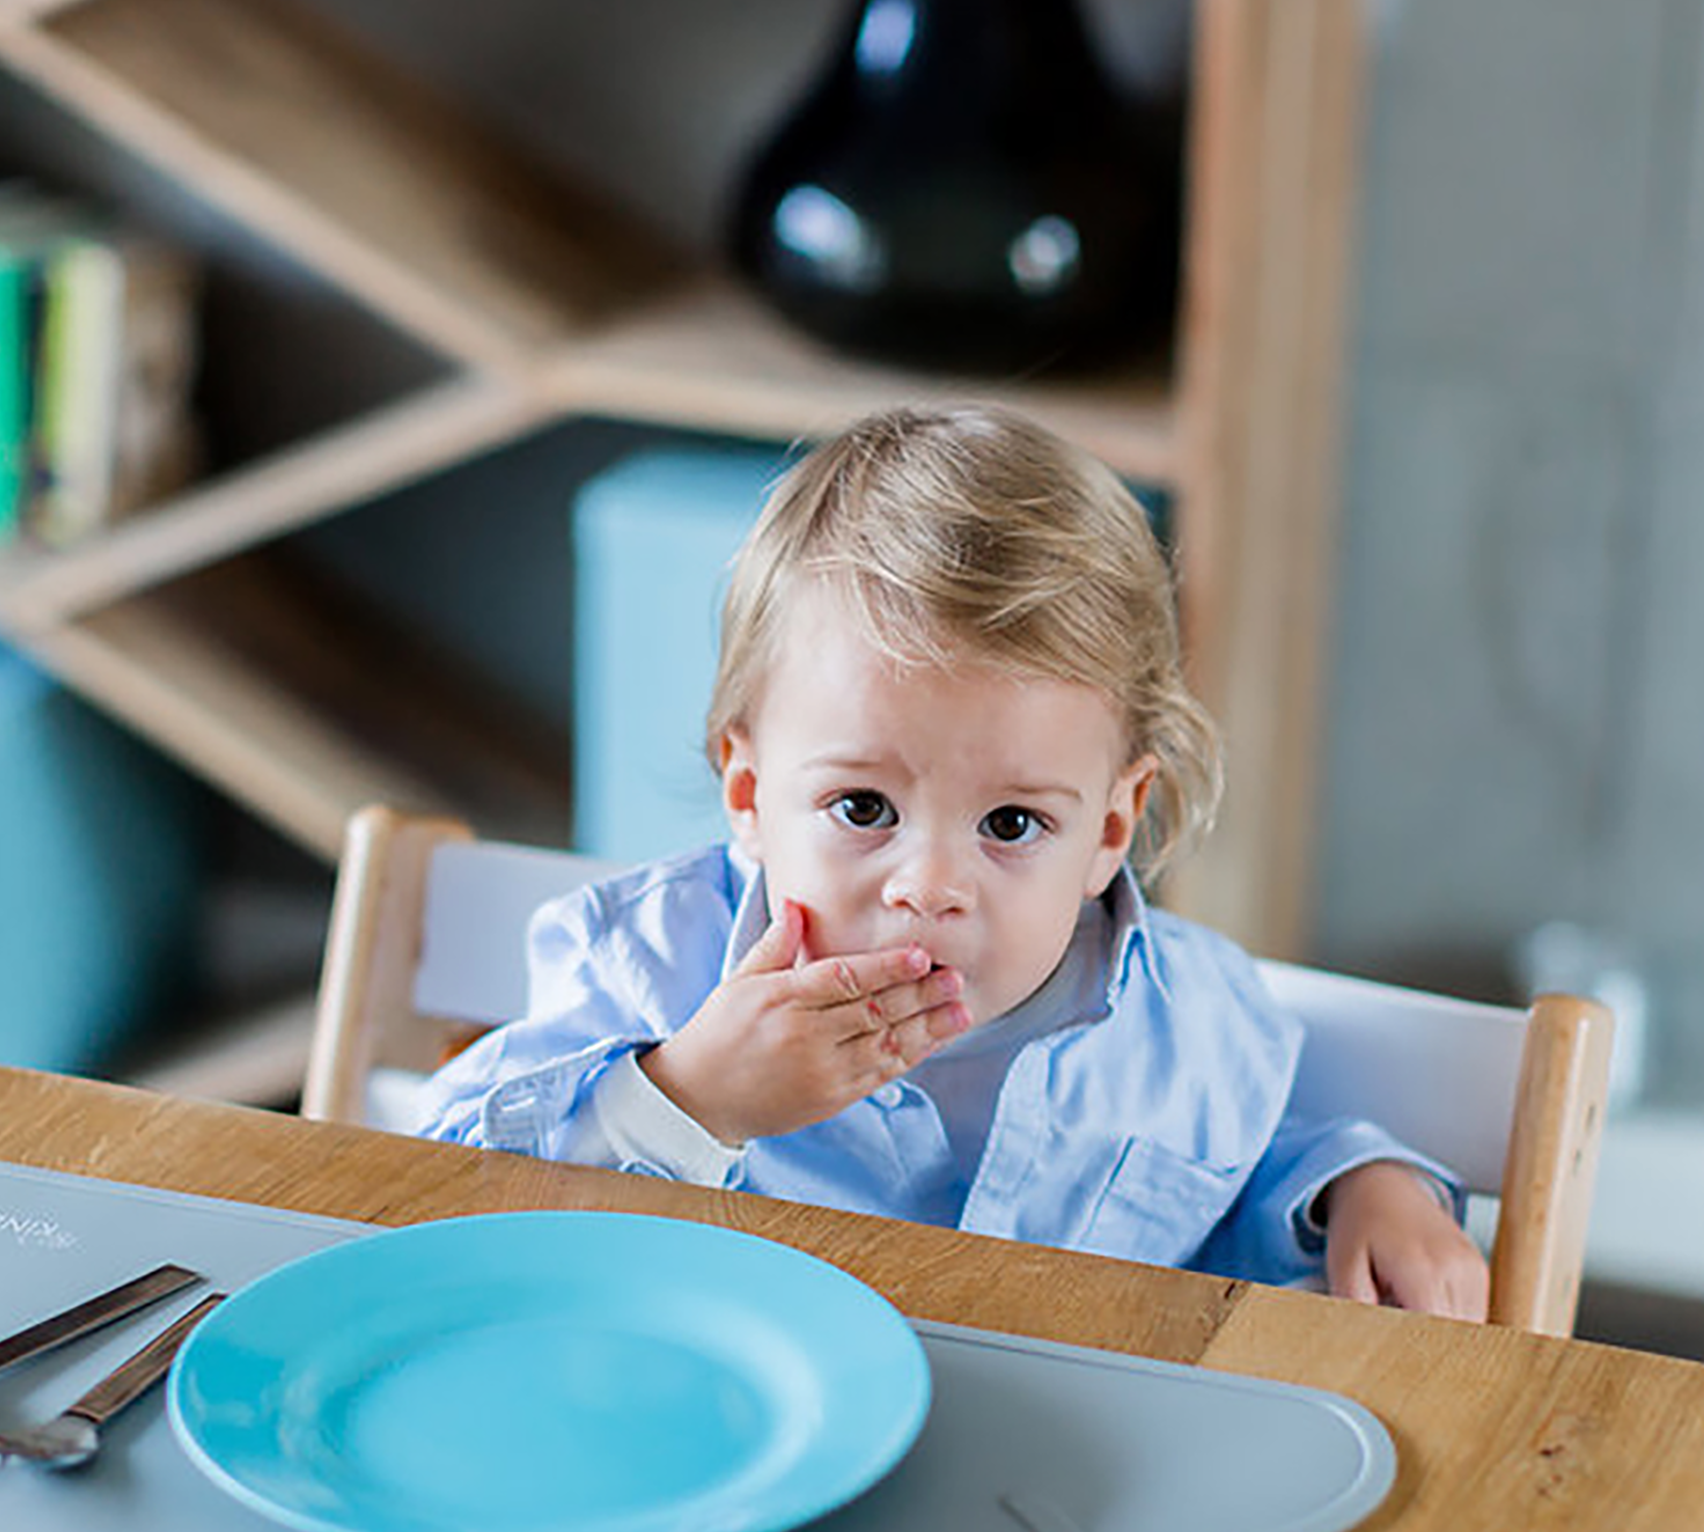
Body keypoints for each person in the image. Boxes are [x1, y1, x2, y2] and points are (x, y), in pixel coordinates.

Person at [420, 404, 1487, 1317]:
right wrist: (692, 1096)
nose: (926, 886)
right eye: (863, 805)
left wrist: (1367, 1185)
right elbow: (430, 1189)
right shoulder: (642, 964)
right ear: (747, 796)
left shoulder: (1187, 1029)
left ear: (1110, 829)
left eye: (1012, 824)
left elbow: (1248, 1176)